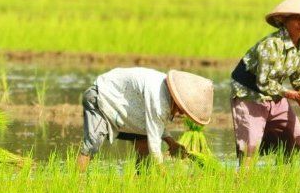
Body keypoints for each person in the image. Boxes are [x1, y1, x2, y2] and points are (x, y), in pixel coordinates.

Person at [230, 0, 300, 166]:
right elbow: (264, 82)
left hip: (275, 94)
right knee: (250, 147)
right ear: (284, 20)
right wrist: (294, 96)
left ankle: (281, 179)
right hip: (249, 94)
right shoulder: (271, 44)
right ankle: (242, 184)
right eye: (297, 18)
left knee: (295, 138)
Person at [77, 67, 214, 171]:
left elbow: (154, 124)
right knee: (91, 145)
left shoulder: (165, 92)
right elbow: (155, 145)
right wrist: (163, 174)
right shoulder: (159, 98)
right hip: (102, 97)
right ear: (178, 101)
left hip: (123, 107)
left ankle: (140, 181)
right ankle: (76, 182)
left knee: (143, 139)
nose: (181, 114)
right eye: (182, 110)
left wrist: (171, 142)